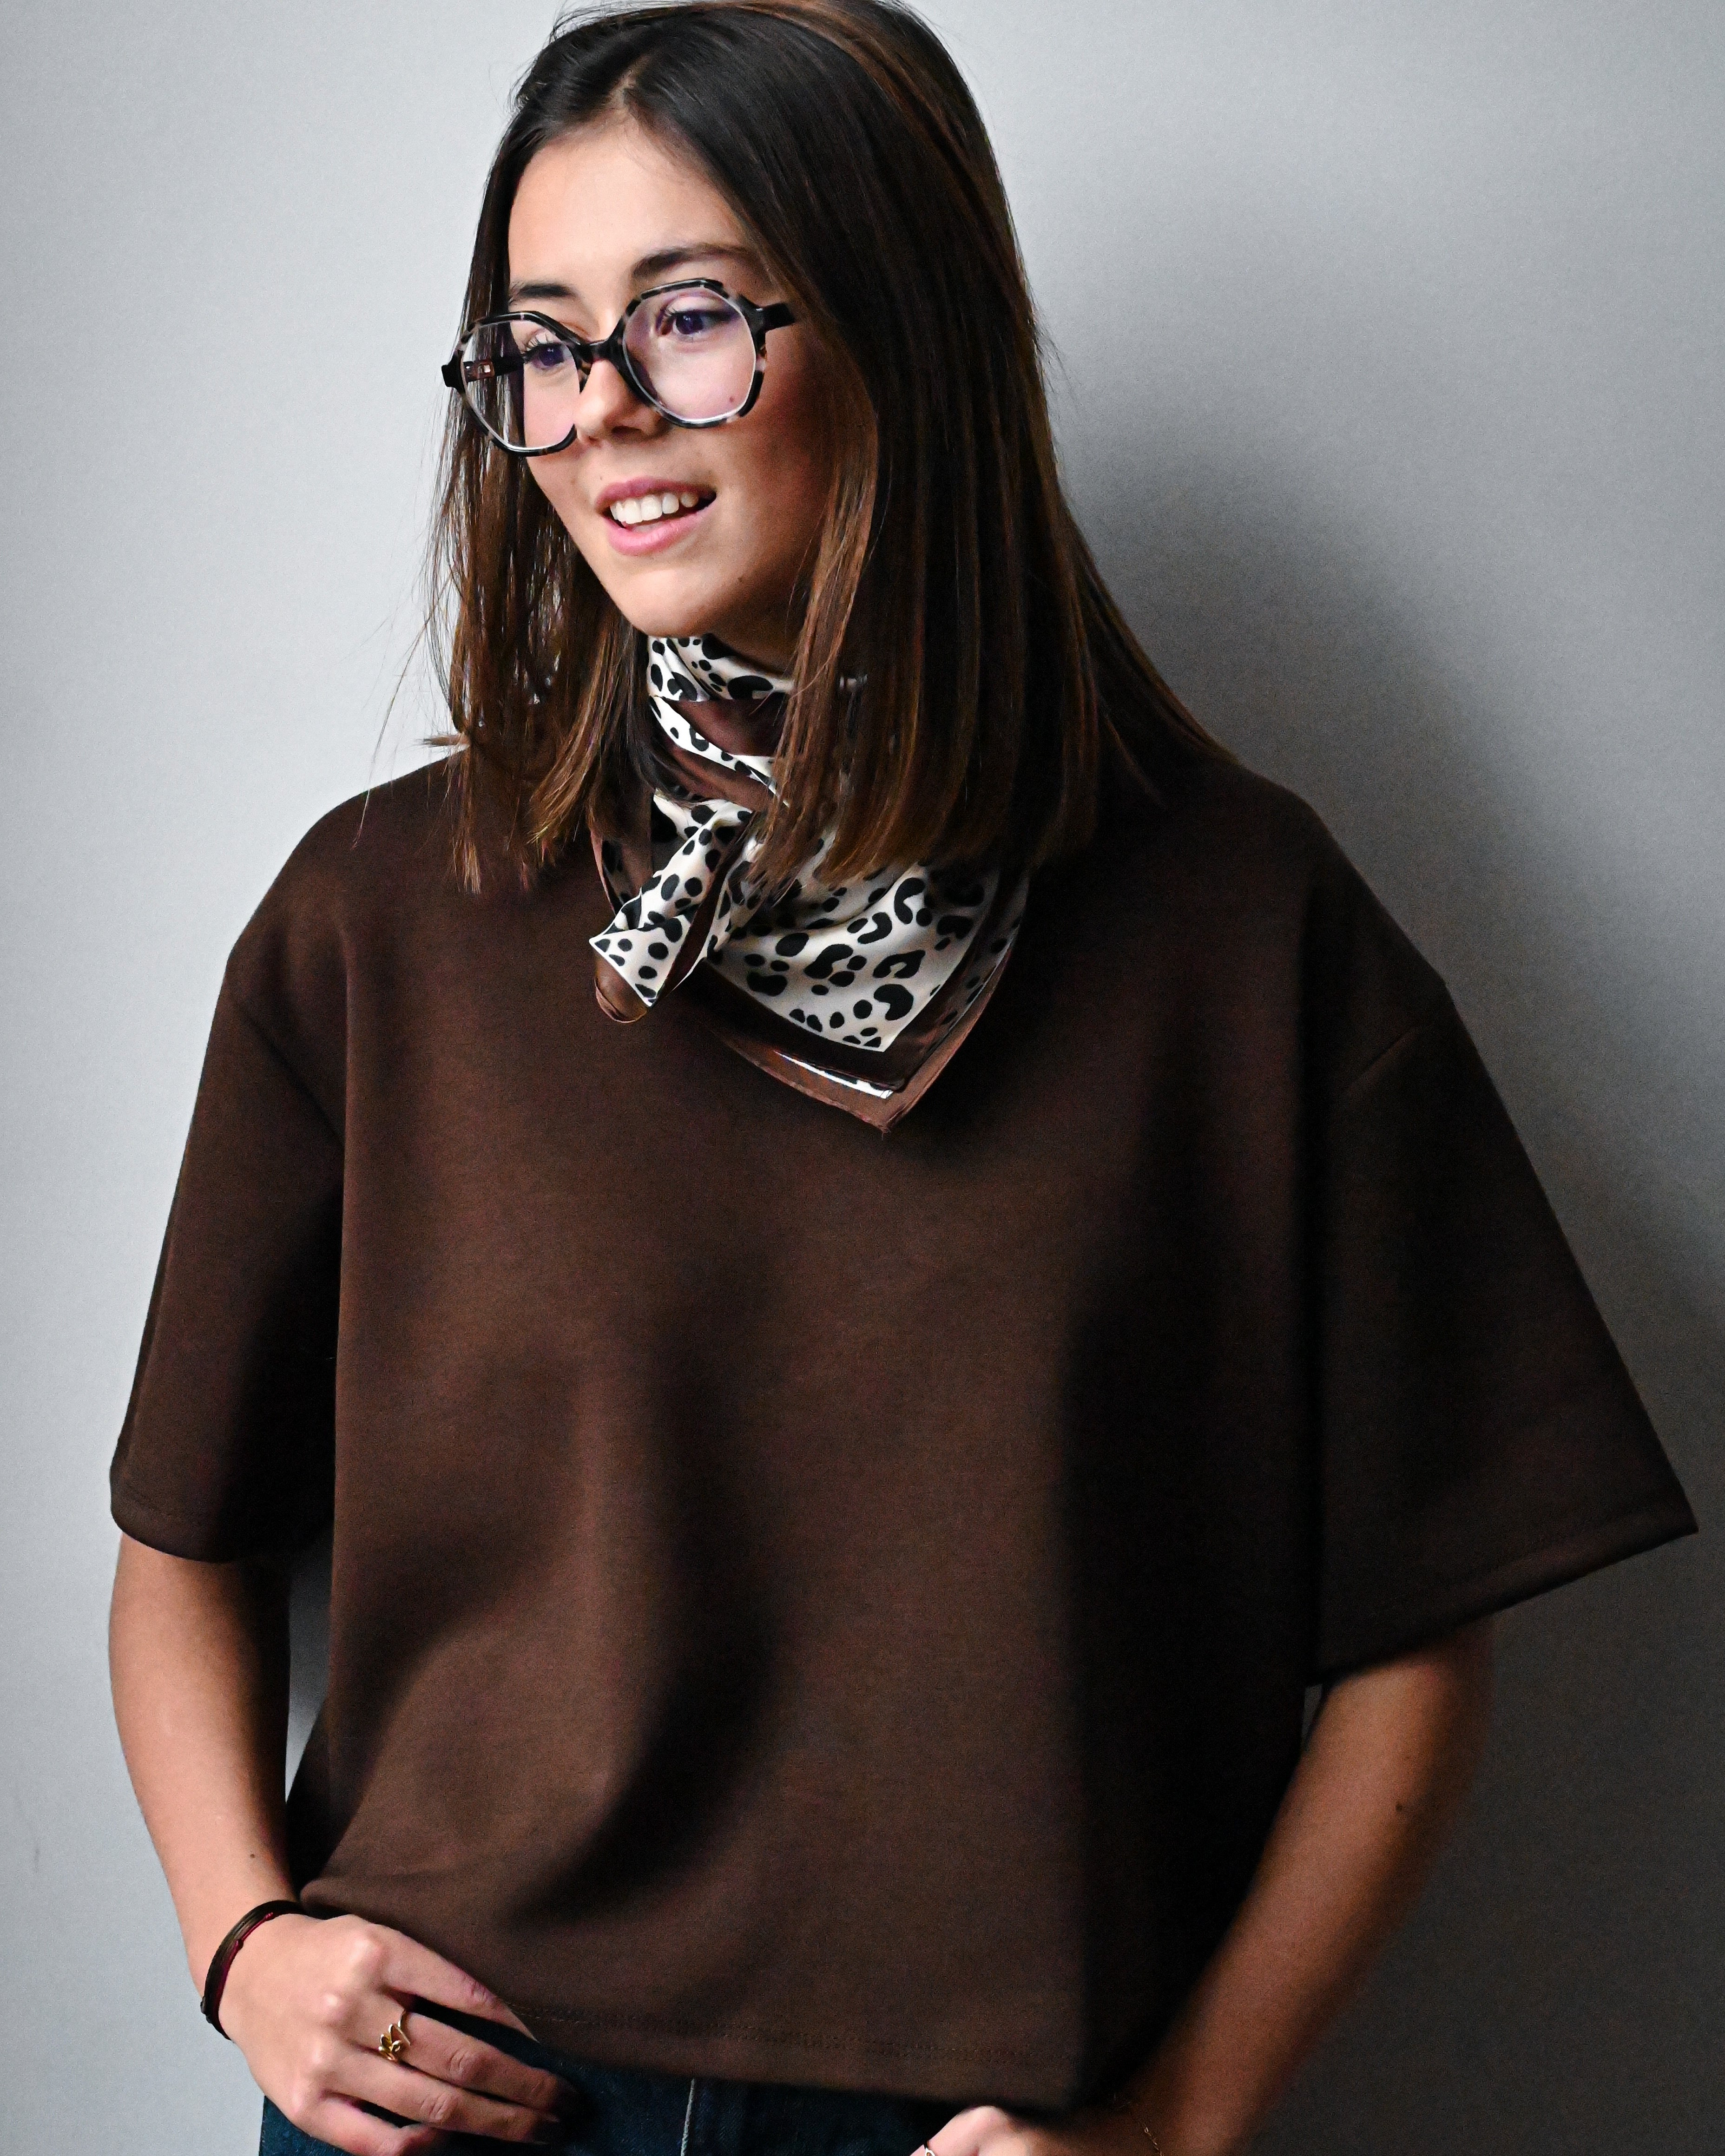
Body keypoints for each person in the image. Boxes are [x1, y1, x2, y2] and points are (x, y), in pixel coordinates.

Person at [106, 5, 1696, 2154]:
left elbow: (1418, 1634)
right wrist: (242, 1944)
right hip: (455, 2099)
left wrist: (1182, 2117)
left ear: (900, 323)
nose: (600, 410)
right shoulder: (384, 916)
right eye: (541, 344)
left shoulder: (1237, 929)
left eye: (685, 317)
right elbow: (181, 1545)